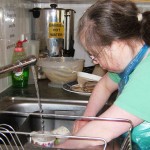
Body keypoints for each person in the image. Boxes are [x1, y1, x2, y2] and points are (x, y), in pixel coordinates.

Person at [55, 0, 150, 149]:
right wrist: (87, 118)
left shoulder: (147, 72)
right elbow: (104, 85)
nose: (95, 62)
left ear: (116, 43)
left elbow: (104, 129)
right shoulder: (132, 63)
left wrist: (62, 147)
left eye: (95, 55)